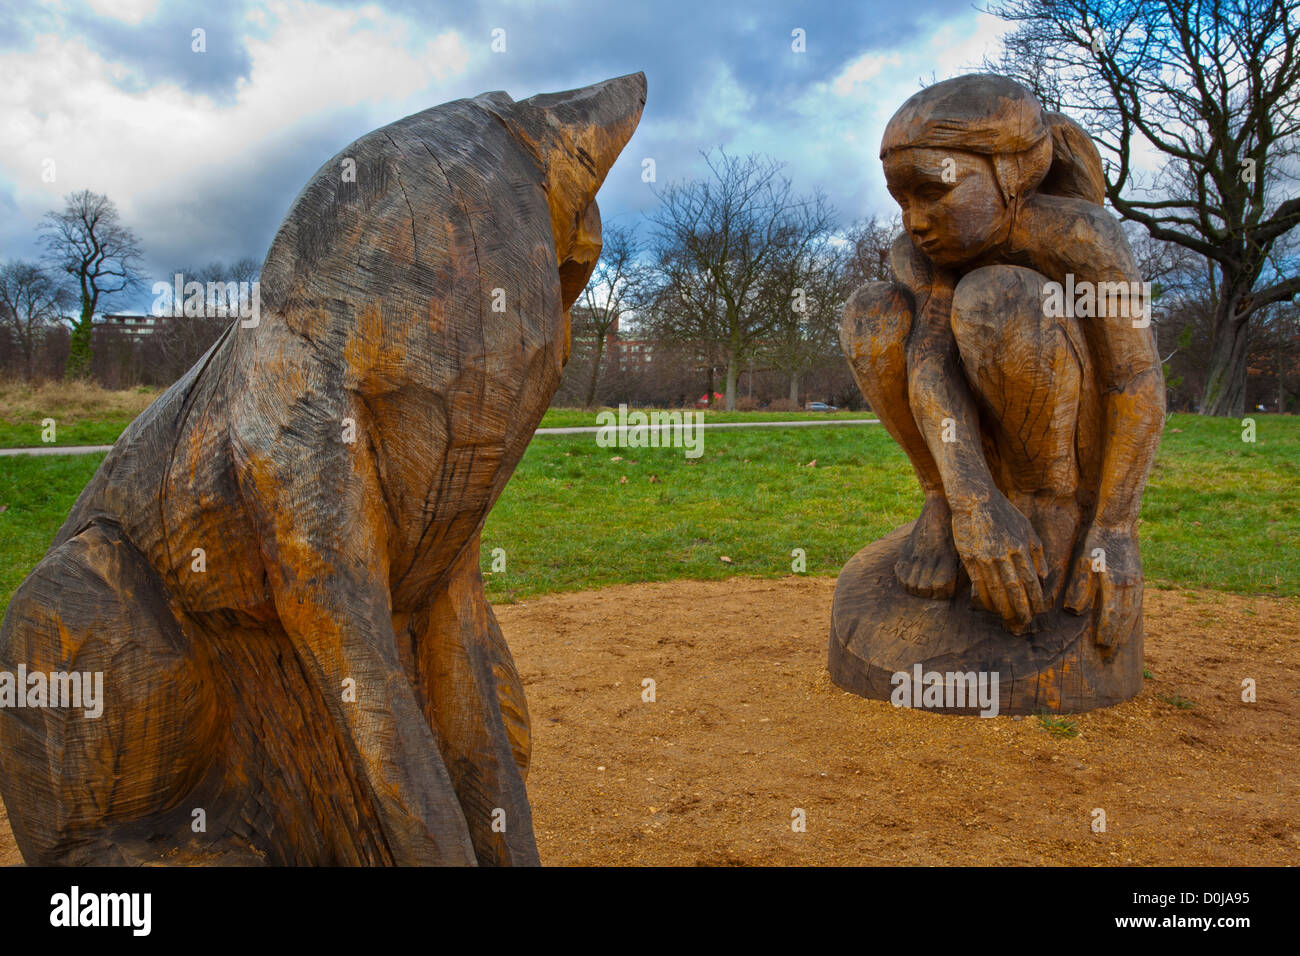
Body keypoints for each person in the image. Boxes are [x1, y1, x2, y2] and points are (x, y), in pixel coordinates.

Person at [841, 74, 1164, 647]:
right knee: (871, 314)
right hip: (966, 469)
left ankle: (1049, 507)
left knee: (997, 297)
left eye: (933, 192)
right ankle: (937, 500)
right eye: (902, 200)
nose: (915, 220)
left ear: (1012, 173)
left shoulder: (1081, 237)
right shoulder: (923, 253)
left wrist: (1114, 525)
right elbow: (929, 366)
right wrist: (969, 500)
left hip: (1064, 444)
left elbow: (1134, 380)